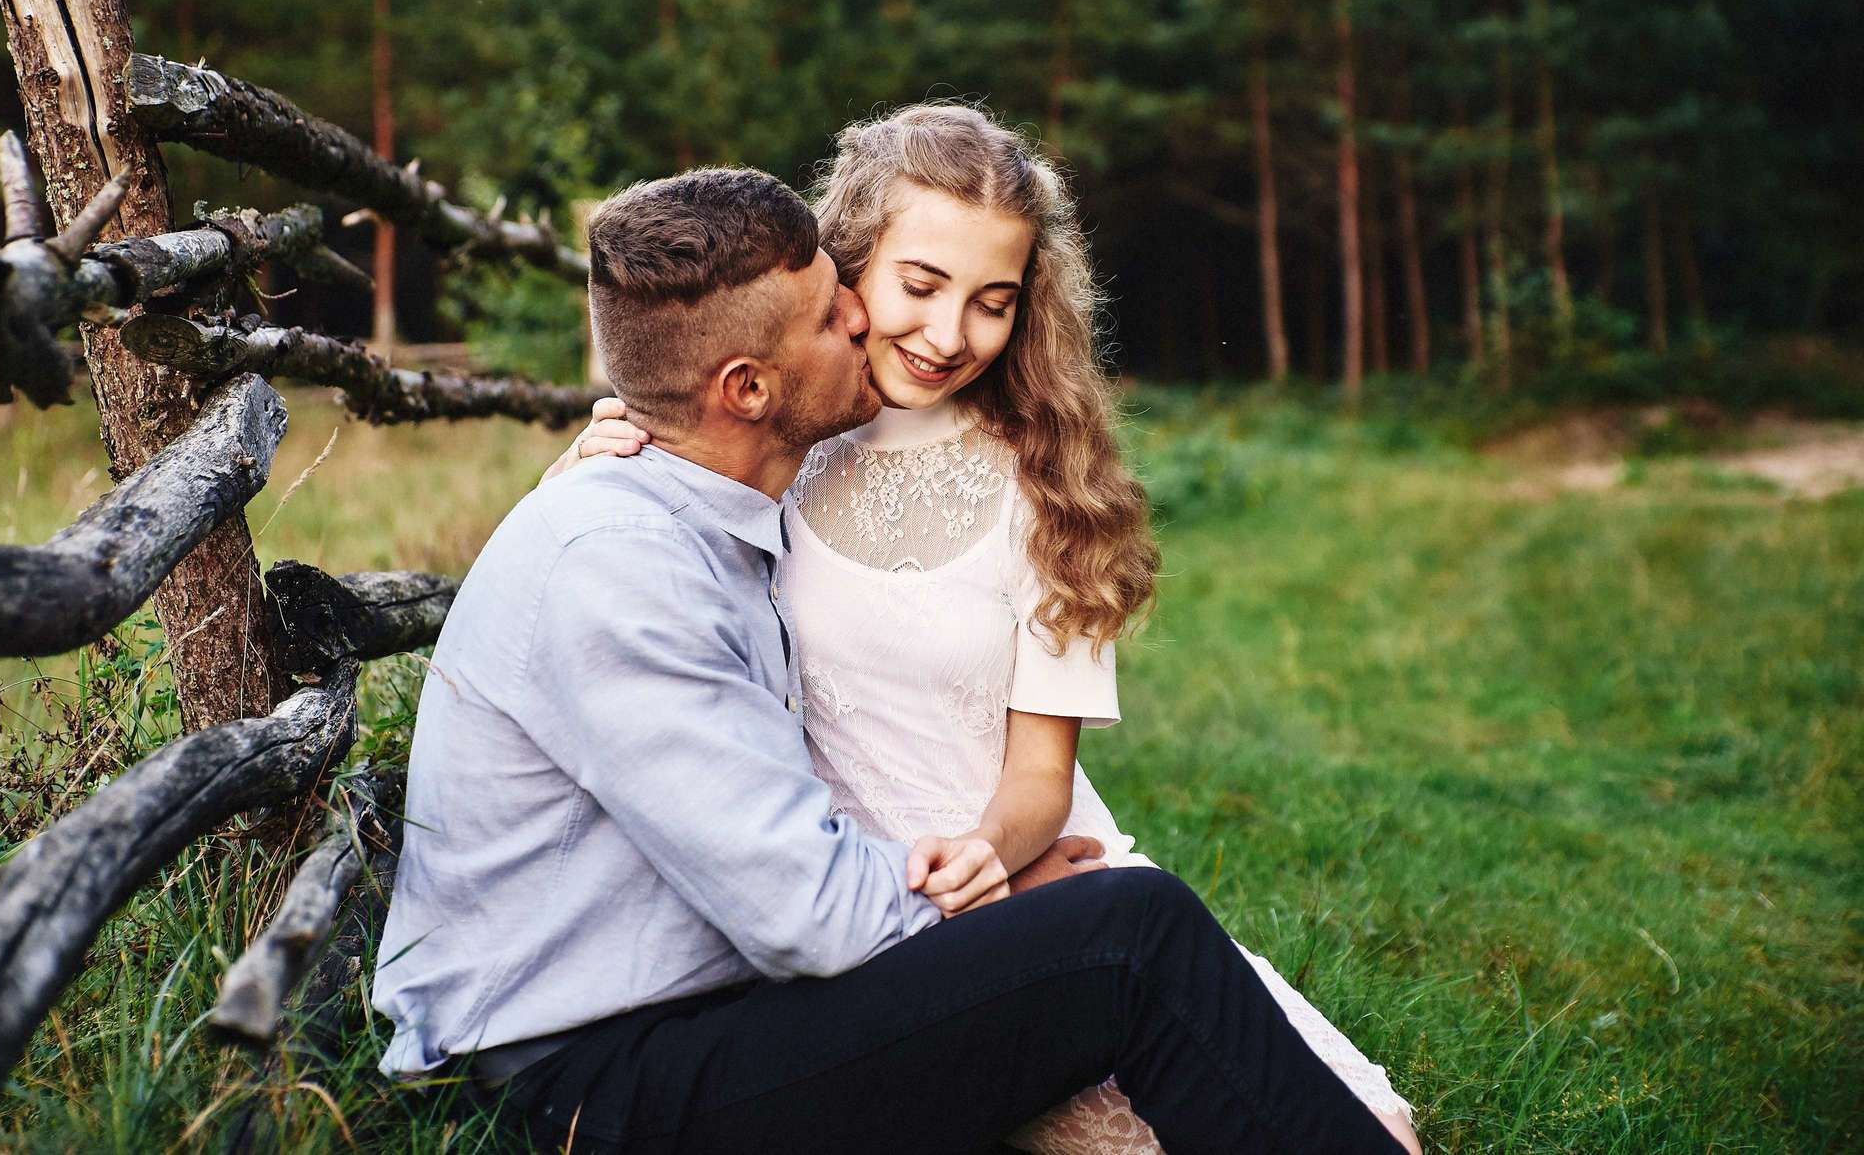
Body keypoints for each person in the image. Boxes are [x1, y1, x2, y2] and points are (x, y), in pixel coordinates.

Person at [373, 164, 1407, 1154]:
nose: (862, 321)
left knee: (1119, 937)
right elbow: (809, 919)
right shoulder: (619, 567)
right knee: (1124, 939)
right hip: (574, 1087)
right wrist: (999, 892)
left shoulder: (696, 508)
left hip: (669, 1023)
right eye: (833, 316)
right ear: (744, 389)